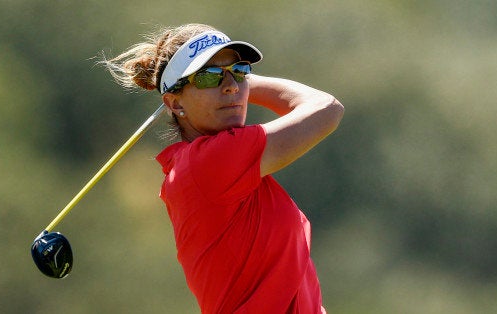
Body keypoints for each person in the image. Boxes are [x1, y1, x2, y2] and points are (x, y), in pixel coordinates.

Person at [102, 23, 344, 313]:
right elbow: (326, 109)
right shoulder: (212, 162)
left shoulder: (207, 165)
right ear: (175, 104)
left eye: (239, 72)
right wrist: (243, 86)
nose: (230, 85)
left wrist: (229, 83)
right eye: (209, 77)